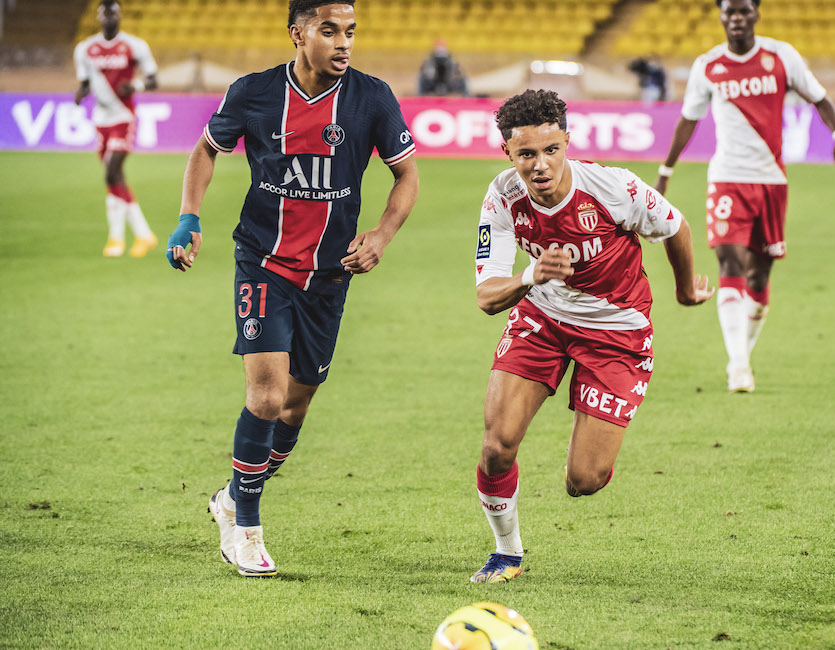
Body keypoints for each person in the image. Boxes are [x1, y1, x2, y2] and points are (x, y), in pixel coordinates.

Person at [167, 0, 419, 577]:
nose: (343, 42)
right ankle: (246, 531)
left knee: (296, 405)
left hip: (330, 275)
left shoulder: (372, 98)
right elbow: (207, 149)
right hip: (264, 263)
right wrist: (189, 217)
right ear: (297, 34)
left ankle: (232, 496)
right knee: (266, 395)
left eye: (350, 31)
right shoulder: (254, 93)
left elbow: (407, 172)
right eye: (329, 31)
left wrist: (382, 234)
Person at [470, 89, 714, 583]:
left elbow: (676, 227)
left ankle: (592, 440)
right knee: (497, 446)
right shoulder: (502, 196)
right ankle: (506, 552)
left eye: (551, 150)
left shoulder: (613, 187)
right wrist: (530, 276)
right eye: (526, 154)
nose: (541, 165)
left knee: (585, 480)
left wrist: (686, 290)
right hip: (542, 320)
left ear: (567, 142)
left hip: (616, 331)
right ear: (507, 152)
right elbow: (488, 297)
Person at [655, 0, 835, 393]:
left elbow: (819, 97)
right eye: (730, 12)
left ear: (756, 14)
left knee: (759, 276)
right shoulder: (708, 66)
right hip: (727, 178)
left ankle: (741, 353)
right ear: (721, 16)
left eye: (744, 11)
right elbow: (688, 120)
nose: (737, 18)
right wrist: (665, 172)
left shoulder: (781, 57)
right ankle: (739, 364)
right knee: (729, 260)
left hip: (771, 181)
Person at [73, 0, 158, 258]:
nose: (110, 18)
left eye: (113, 13)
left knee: (111, 173)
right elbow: (85, 82)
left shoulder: (134, 46)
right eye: (105, 13)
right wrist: (81, 92)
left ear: (119, 16)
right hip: (101, 119)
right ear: (99, 17)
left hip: (123, 116)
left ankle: (116, 239)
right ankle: (144, 235)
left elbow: (153, 80)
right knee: (116, 178)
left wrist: (136, 86)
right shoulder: (85, 49)